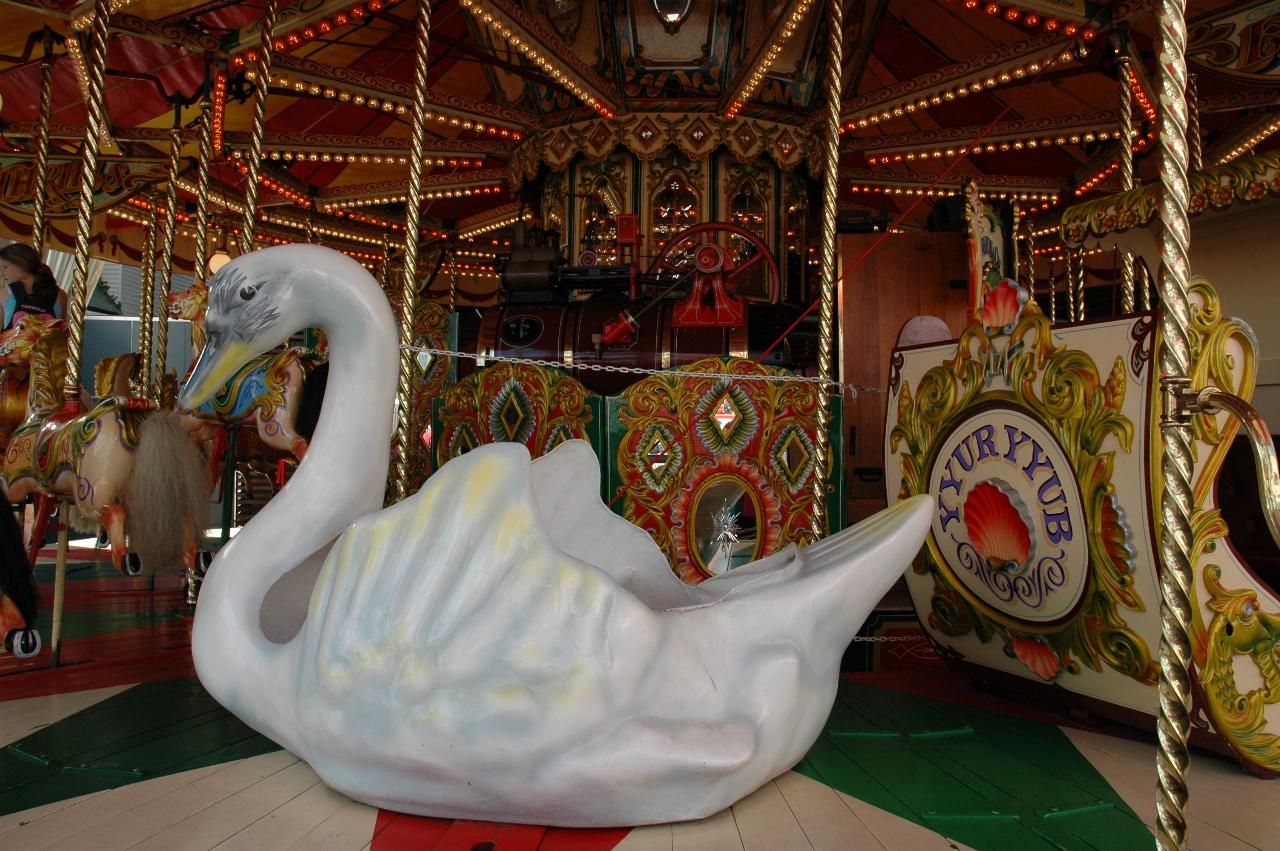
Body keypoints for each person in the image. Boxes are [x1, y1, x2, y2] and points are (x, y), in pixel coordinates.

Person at [0, 243, 66, 332]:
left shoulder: (4, 293)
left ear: (22, 264)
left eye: (5, 267)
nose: (3, 273)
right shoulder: (59, 294)